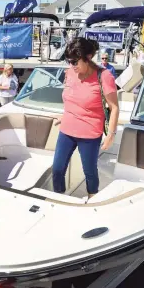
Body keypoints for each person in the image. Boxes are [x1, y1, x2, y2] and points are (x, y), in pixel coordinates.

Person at [52, 38, 119, 198]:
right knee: (57, 169)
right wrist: (65, 114)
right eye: (69, 61)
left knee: (89, 171)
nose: (72, 65)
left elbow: (114, 107)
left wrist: (111, 134)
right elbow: (71, 97)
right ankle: (59, 197)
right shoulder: (70, 72)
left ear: (88, 58)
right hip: (67, 129)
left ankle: (92, 197)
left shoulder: (104, 76)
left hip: (89, 133)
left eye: (75, 61)